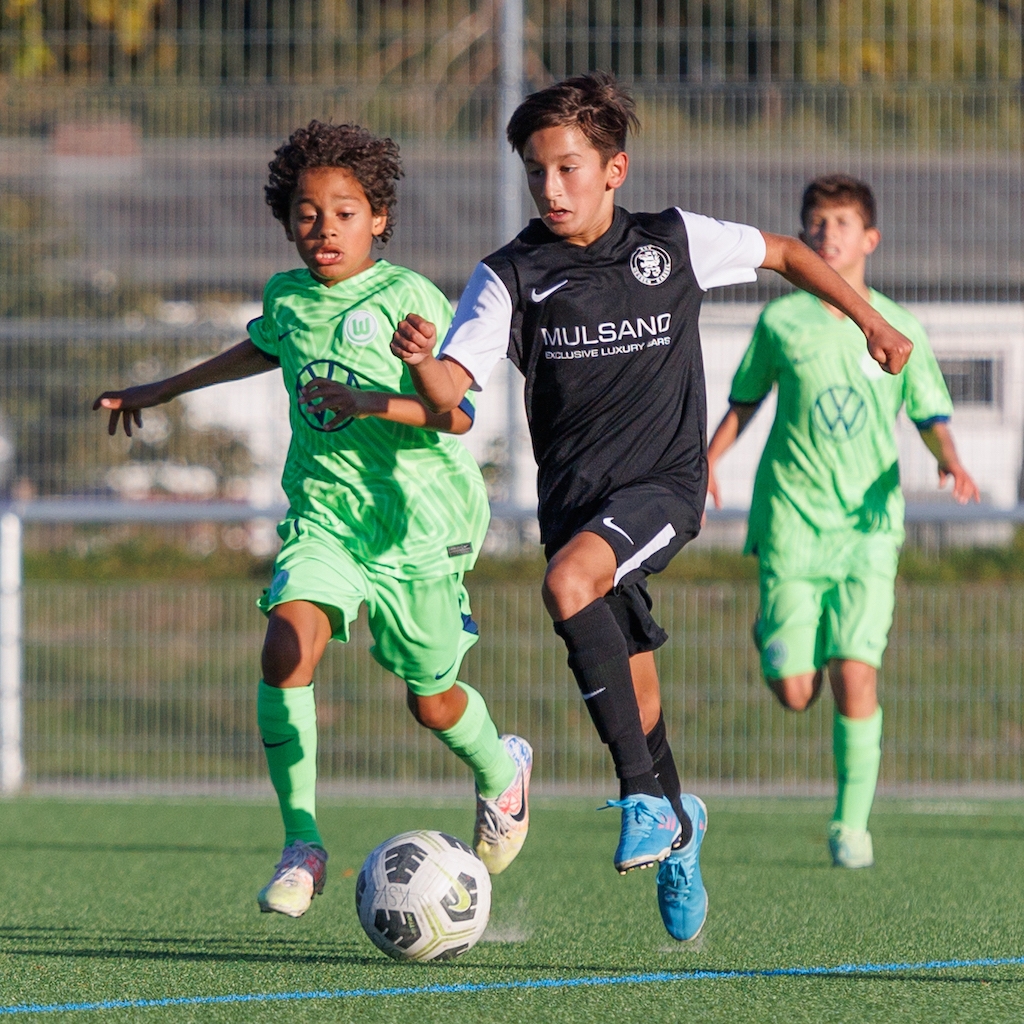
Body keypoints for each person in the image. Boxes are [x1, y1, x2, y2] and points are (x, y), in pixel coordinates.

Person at [389, 74, 912, 942]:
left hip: (665, 486)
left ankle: (641, 799)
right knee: (636, 693)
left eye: (567, 169)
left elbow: (784, 251)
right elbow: (454, 396)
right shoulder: (509, 275)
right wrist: (419, 362)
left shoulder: (671, 242)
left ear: (614, 169)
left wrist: (867, 321)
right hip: (577, 504)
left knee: (567, 585)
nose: (550, 189)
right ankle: (680, 825)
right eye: (535, 174)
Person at [93, 120, 532, 919]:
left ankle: (503, 774)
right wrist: (159, 390)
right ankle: (302, 842)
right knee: (287, 643)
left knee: (431, 698)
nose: (323, 229)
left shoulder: (408, 298)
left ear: (380, 220)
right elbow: (262, 346)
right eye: (306, 212)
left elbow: (457, 415)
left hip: (418, 525)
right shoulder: (287, 296)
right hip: (327, 519)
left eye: (344, 212)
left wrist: (381, 391)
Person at [706, 173, 979, 868]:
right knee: (797, 693)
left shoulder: (898, 325)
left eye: (842, 223)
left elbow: (930, 412)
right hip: (794, 521)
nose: (829, 234)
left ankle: (851, 826)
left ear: (870, 238)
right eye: (817, 223)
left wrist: (950, 460)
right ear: (804, 236)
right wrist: (709, 459)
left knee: (858, 673)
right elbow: (745, 400)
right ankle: (775, 630)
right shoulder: (781, 322)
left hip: (868, 528)